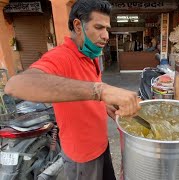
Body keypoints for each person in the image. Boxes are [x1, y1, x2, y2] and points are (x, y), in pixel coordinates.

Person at [4, 0, 141, 180]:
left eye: (107, 28)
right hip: (81, 157)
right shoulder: (61, 56)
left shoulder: (90, 55)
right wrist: (101, 90)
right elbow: (16, 85)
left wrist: (103, 104)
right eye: (99, 27)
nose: (106, 35)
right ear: (78, 26)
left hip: (101, 144)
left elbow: (84, 93)